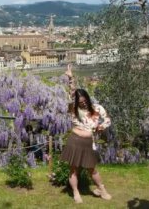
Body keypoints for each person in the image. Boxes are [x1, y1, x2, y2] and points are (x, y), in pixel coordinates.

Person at [61, 65, 112, 204]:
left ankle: (102, 189)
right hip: (75, 140)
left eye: (84, 101)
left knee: (92, 169)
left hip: (89, 142)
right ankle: (76, 192)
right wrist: (70, 78)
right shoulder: (73, 108)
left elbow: (108, 119)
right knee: (73, 169)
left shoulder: (97, 108)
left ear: (88, 99)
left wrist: (101, 126)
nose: (82, 104)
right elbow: (72, 94)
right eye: (80, 102)